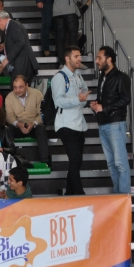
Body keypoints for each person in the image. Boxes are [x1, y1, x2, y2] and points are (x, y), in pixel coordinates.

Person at [91, 45, 131, 194]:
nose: (96, 61)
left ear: (109, 59)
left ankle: (123, 196)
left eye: (99, 58)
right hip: (104, 123)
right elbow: (106, 99)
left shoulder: (121, 77)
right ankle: (118, 195)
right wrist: (96, 105)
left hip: (115, 123)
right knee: (112, 164)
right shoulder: (103, 77)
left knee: (120, 163)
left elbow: (126, 99)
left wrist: (104, 107)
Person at [53, 46, 90, 196]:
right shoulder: (59, 77)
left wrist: (82, 100)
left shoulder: (78, 76)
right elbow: (58, 101)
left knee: (77, 161)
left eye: (80, 56)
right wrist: (77, 100)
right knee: (75, 160)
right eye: (76, 56)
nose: (79, 59)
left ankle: (69, 194)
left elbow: (84, 93)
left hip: (79, 124)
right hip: (66, 125)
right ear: (67, 58)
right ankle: (79, 194)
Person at [5, 75, 49, 165]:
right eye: (15, 87)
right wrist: (18, 124)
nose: (17, 90)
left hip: (34, 126)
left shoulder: (37, 94)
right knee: (8, 129)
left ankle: (45, 161)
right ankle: (9, 161)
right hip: (18, 126)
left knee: (41, 128)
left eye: (20, 87)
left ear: (26, 85)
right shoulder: (9, 97)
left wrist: (33, 123)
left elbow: (42, 114)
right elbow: (9, 116)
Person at [0, 11, 39, 84]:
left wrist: (7, 59)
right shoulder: (12, 25)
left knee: (17, 89)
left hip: (22, 66)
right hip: (21, 65)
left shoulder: (12, 25)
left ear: (0, 19)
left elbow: (20, 42)